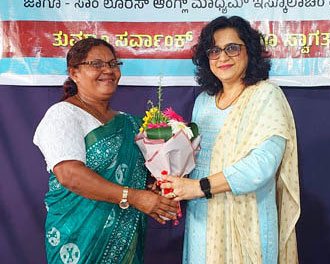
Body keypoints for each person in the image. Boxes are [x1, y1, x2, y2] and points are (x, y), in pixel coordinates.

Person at [161, 16, 300, 264]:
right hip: (202, 218)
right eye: (214, 50)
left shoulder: (266, 95)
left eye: (232, 48)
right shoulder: (204, 100)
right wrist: (170, 179)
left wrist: (199, 187)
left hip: (248, 218)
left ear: (250, 51)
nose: (222, 57)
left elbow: (262, 166)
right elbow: (194, 158)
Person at [33, 38, 178, 264]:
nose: (108, 71)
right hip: (78, 240)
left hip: (125, 241)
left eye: (113, 64)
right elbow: (70, 175)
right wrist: (135, 197)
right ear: (74, 72)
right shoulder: (62, 115)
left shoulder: (129, 123)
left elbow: (141, 173)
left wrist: (155, 189)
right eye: (97, 64)